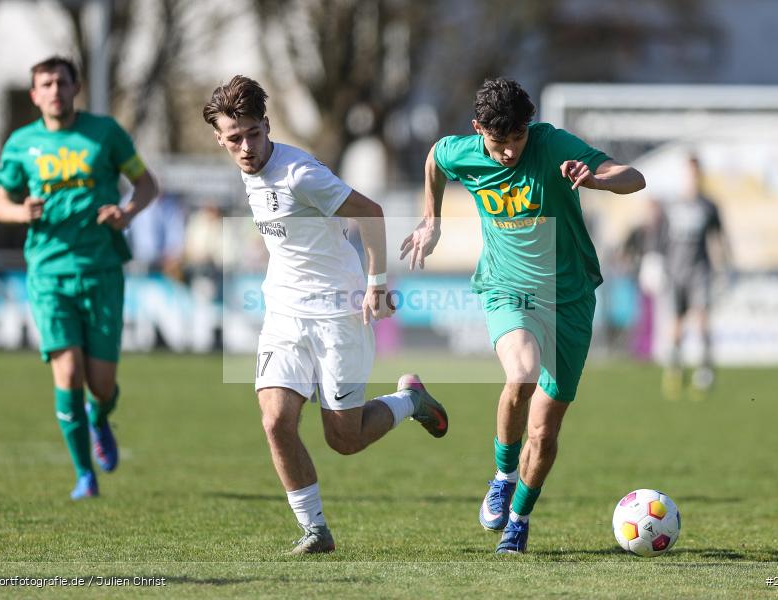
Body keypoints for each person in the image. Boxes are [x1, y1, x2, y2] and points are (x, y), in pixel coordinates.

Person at [203, 75, 448, 555]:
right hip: (284, 314)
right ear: (220, 139)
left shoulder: (300, 174)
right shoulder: (247, 170)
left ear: (267, 126)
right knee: (276, 422)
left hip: (338, 313)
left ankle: (409, 400)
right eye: (234, 138)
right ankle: (314, 529)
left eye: (254, 134)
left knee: (345, 440)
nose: (246, 147)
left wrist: (376, 284)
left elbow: (371, 212)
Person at [400, 78, 645, 554]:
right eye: (500, 142)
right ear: (479, 129)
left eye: (518, 138)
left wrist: (597, 180)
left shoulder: (553, 145)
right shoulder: (463, 152)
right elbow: (434, 159)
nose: (511, 151)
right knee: (522, 373)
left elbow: (633, 177)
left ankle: (519, 519)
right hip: (506, 289)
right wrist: (432, 219)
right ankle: (503, 476)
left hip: (570, 298)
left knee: (545, 431)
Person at [0, 56, 159, 500]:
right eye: (45, 85)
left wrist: (127, 213)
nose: (54, 91)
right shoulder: (21, 143)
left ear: (76, 87)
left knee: (101, 385)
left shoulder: (105, 133)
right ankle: (85, 475)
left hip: (102, 271)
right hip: (49, 274)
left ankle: (100, 416)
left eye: (61, 82)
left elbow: (147, 185)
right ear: (34, 95)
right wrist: (19, 211)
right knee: (67, 372)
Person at [660, 155, 731, 398]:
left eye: (695, 173)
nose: (692, 177)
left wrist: (725, 266)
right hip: (675, 271)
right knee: (676, 323)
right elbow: (662, 238)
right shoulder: (672, 204)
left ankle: (704, 371)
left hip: (700, 270)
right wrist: (655, 261)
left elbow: (719, 238)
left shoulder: (709, 206)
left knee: (702, 320)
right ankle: (674, 369)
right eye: (689, 173)